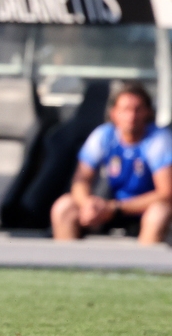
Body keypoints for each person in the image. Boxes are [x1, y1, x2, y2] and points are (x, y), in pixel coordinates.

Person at [50, 83, 172, 245]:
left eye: (137, 109)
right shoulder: (103, 135)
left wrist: (115, 208)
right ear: (114, 113)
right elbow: (81, 181)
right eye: (125, 110)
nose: (131, 116)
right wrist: (88, 204)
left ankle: (144, 267)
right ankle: (68, 265)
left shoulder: (158, 140)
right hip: (109, 208)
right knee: (64, 207)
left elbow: (166, 193)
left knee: (159, 213)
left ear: (148, 112)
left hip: (141, 209)